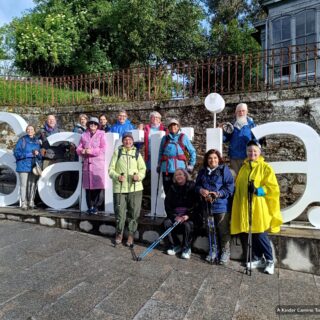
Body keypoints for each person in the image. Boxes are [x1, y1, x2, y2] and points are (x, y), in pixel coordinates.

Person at [230, 140, 283, 275]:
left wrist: (257, 190)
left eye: (254, 151)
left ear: (259, 152)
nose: (252, 153)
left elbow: (273, 188)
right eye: (249, 151)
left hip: (258, 208)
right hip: (244, 206)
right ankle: (258, 258)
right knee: (250, 234)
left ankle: (270, 260)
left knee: (260, 234)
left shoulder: (265, 168)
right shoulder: (243, 167)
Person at [195, 149, 234, 264]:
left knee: (223, 230)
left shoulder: (224, 170)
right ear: (207, 160)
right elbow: (197, 185)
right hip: (207, 206)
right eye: (210, 158)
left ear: (219, 159)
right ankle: (213, 250)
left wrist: (218, 194)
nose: (213, 160)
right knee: (210, 230)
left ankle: (225, 252)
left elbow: (230, 187)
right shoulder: (202, 172)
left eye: (215, 158)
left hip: (221, 206)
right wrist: (201, 190)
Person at [108, 132, 146, 246]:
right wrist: (117, 176)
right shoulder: (117, 152)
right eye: (125, 139)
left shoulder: (137, 153)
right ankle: (119, 233)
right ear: (122, 141)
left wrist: (138, 176)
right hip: (119, 188)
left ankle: (130, 235)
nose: (127, 141)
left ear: (132, 141)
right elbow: (110, 170)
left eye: (130, 139)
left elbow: (143, 169)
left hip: (135, 189)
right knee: (119, 212)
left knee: (133, 213)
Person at [157, 118, 196, 195]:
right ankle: (168, 207)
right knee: (168, 192)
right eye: (171, 125)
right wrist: (159, 164)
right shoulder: (164, 139)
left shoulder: (183, 137)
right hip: (166, 170)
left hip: (180, 170)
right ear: (168, 128)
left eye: (175, 125)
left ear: (178, 127)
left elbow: (192, 151)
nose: (173, 127)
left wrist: (191, 164)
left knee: (180, 192)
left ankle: (180, 207)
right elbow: (161, 153)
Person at [76, 117, 107, 214]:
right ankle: (90, 206)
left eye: (94, 123)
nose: (92, 125)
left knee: (98, 187)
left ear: (97, 125)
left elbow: (103, 148)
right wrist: (82, 151)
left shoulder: (101, 134)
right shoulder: (84, 135)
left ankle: (97, 206)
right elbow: (78, 148)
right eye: (91, 123)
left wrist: (92, 151)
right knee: (88, 188)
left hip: (98, 164)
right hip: (87, 164)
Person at [164, 169, 195, 259]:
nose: (178, 176)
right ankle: (175, 245)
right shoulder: (172, 188)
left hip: (189, 215)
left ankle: (186, 248)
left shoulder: (192, 186)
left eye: (180, 174)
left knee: (187, 225)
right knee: (166, 223)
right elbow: (167, 205)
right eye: (176, 175)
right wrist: (175, 216)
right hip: (176, 214)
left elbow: (197, 204)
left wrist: (187, 216)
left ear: (185, 176)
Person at [222, 103, 256, 175]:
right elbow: (225, 139)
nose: (241, 113)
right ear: (235, 112)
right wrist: (220, 132)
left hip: (247, 156)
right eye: (239, 111)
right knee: (236, 178)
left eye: (243, 111)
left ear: (246, 112)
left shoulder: (251, 125)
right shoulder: (232, 124)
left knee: (248, 177)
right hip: (234, 157)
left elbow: (256, 139)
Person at [14, 125, 42, 210]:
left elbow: (40, 156)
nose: (30, 131)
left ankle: (31, 202)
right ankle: (23, 203)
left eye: (32, 129)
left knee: (33, 184)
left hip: (33, 166)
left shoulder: (37, 141)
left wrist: (38, 154)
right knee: (23, 185)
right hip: (23, 165)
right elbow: (16, 153)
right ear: (26, 131)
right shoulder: (22, 140)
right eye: (28, 129)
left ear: (34, 131)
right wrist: (27, 155)